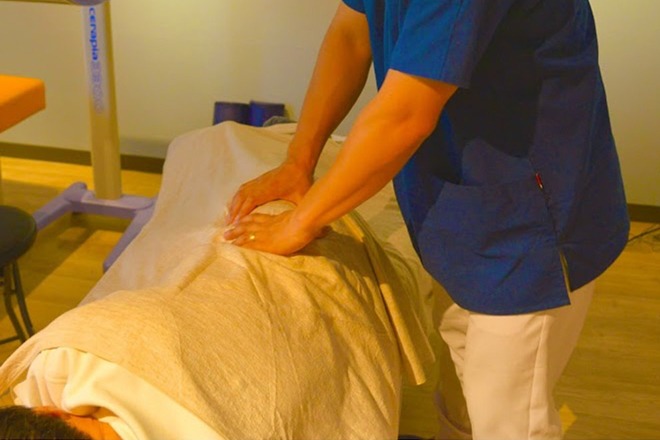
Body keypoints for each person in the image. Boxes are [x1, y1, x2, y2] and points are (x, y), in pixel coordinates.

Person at [223, 1, 630, 439]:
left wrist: (299, 223)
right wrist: (298, 161)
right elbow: (351, 32)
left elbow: (404, 115)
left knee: (508, 417)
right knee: (462, 385)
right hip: (463, 208)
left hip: (529, 222)